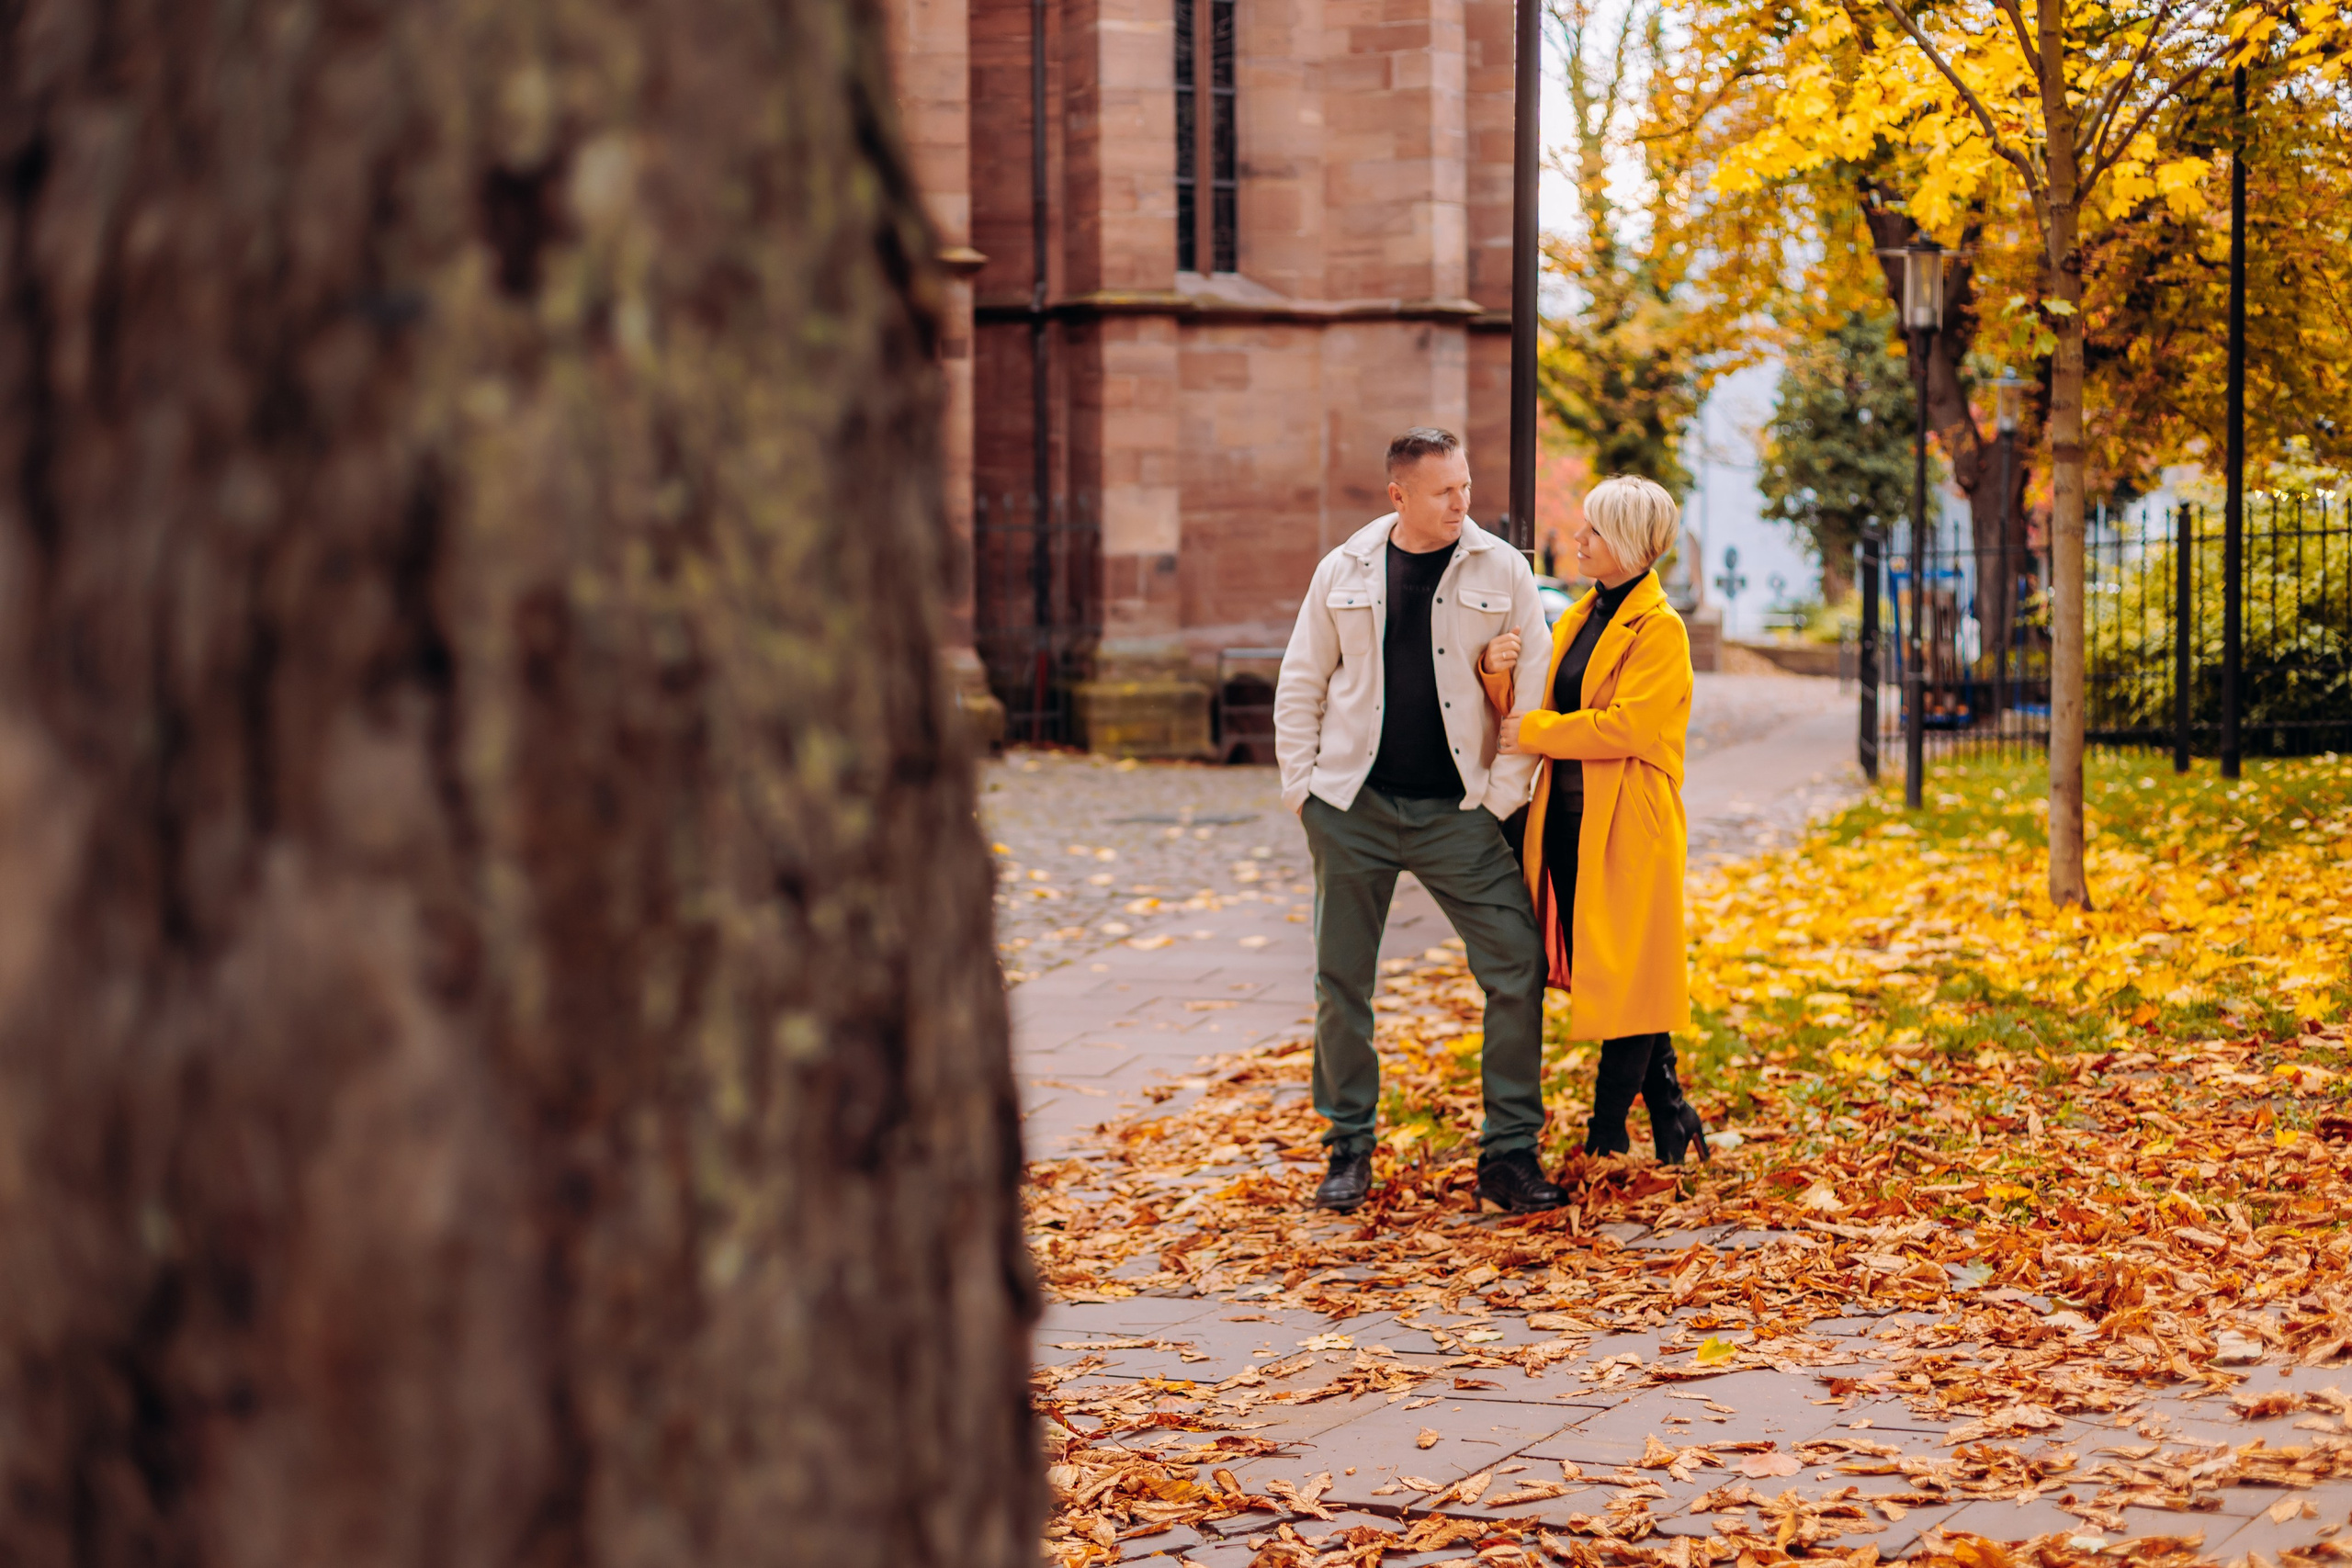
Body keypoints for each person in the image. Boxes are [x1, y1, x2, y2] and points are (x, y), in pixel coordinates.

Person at [1274, 428, 1559, 1214]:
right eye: (1444, 490)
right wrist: (1304, 791)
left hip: (1459, 811)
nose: (1461, 502)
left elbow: (1532, 687)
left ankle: (1508, 1151)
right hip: (1352, 808)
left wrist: (1502, 797)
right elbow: (1303, 680)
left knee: (1515, 964)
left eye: (1465, 485)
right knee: (1342, 982)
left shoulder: (1503, 569)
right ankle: (1348, 1145)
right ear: (1399, 494)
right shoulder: (1344, 569)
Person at [1485, 475, 1707, 1164]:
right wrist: (1497, 671)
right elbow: (1533, 702)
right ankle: (1671, 1109)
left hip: (1630, 822)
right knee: (1615, 970)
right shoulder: (1582, 615)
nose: (1578, 539)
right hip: (1569, 819)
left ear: (1632, 544)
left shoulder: (1661, 629)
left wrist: (1540, 730)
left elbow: (1627, 728)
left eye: (1594, 531)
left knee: (1627, 975)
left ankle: (1605, 1133)